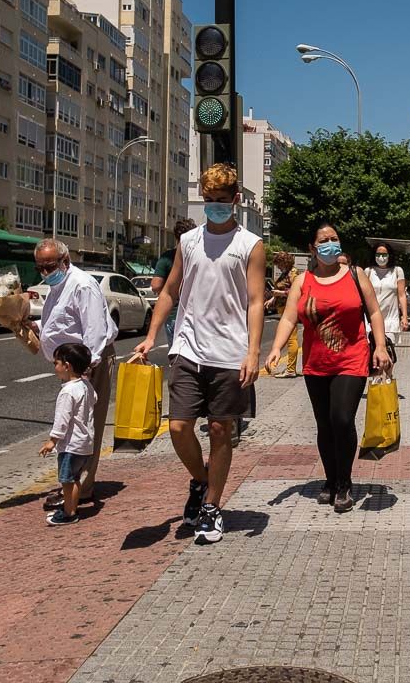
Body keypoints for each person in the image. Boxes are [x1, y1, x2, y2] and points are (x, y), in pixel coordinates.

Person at [132, 163, 265, 545]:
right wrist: (151, 335)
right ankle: (202, 480)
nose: (214, 207)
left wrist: (253, 351)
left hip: (230, 351)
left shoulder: (250, 245)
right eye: (209, 201)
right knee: (177, 427)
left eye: (221, 201)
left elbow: (256, 301)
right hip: (188, 347)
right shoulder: (188, 242)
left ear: (235, 201)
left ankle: (211, 506)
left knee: (222, 430)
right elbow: (171, 290)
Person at [265, 221, 392, 513]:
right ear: (312, 248)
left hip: (352, 358)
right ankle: (331, 479)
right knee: (324, 425)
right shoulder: (303, 281)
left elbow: (374, 312)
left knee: (342, 419)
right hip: (316, 363)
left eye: (334, 238)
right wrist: (276, 348)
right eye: (324, 240)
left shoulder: (355, 275)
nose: (330, 244)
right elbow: (288, 319)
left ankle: (344, 483)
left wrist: (381, 346)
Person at [27, 239, 118, 508]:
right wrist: (36, 325)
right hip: (73, 365)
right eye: (40, 267)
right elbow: (62, 320)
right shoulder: (58, 285)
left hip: (87, 364)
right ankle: (72, 484)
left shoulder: (82, 284)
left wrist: (85, 372)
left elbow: (94, 331)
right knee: (73, 427)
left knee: (85, 427)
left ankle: (81, 488)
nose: (45, 272)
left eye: (50, 266)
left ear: (65, 261)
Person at [39, 343, 97, 526]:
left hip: (71, 446)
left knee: (66, 481)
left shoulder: (67, 392)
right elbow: (95, 399)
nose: (55, 367)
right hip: (85, 444)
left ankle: (68, 513)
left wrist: (52, 441)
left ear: (67, 365)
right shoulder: (86, 385)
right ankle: (71, 507)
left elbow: (62, 420)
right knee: (75, 479)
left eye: (56, 363)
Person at [152, 219, 195, 339]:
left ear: (176, 237)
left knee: (175, 354)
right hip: (196, 315)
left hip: (173, 313)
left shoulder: (167, 257)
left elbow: (155, 285)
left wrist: (170, 289)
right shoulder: (199, 255)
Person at [366, 242, 408, 345]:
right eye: (378, 254)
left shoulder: (397, 271)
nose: (381, 257)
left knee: (388, 352)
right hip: (371, 320)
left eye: (384, 254)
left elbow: (402, 295)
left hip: (390, 320)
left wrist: (405, 316)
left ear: (389, 255)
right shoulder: (368, 271)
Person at [269, 251, 301, 378]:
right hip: (283, 307)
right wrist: (273, 298)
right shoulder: (285, 273)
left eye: (279, 264)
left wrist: (279, 293)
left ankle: (291, 369)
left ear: (285, 262)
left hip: (290, 308)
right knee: (289, 339)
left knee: (291, 339)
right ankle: (290, 368)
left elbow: (296, 291)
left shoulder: (293, 273)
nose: (278, 267)